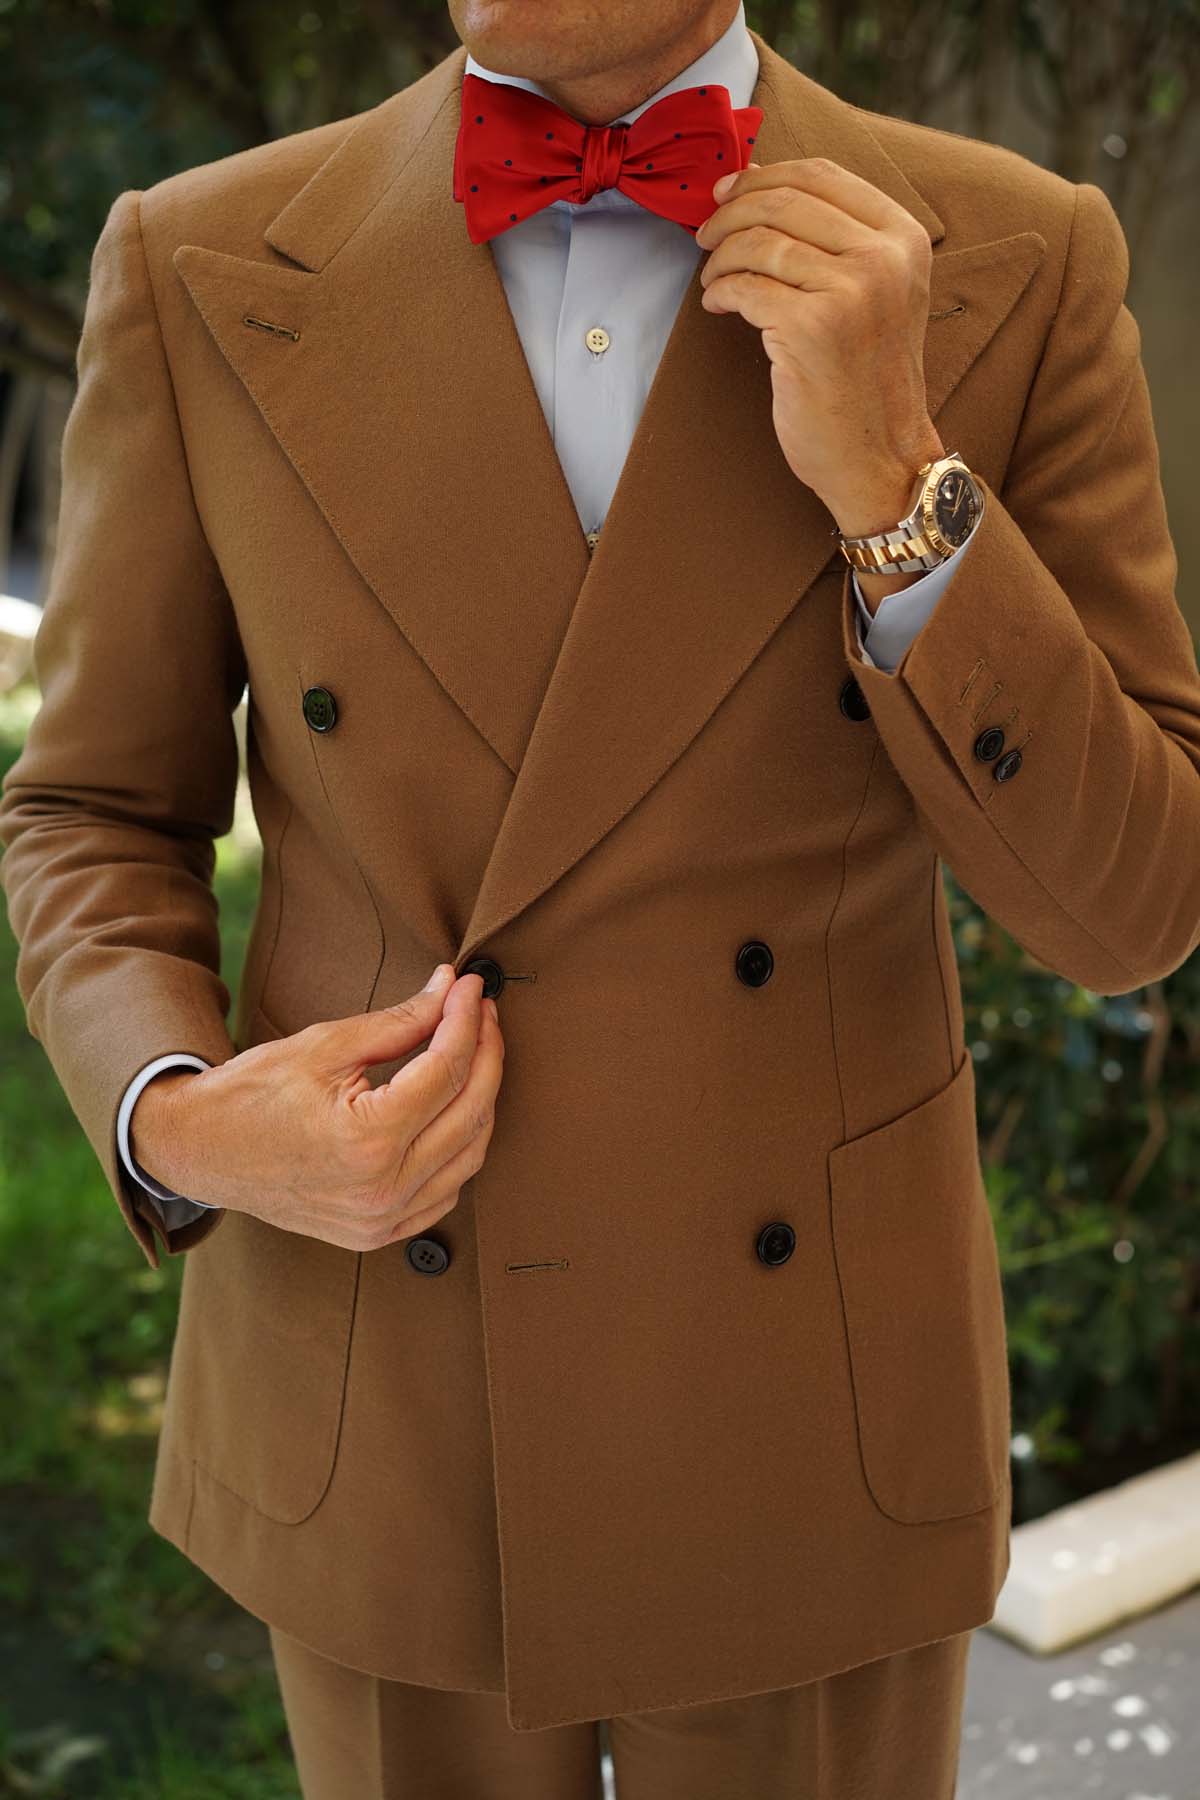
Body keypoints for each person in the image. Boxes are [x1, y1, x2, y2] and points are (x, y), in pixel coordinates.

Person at [3, 0, 1199, 1793]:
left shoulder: (1013, 255)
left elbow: (1133, 909)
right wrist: (182, 1121)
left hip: (806, 1408)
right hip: (385, 1377)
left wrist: (897, 481)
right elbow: (91, 810)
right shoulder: (197, 258)